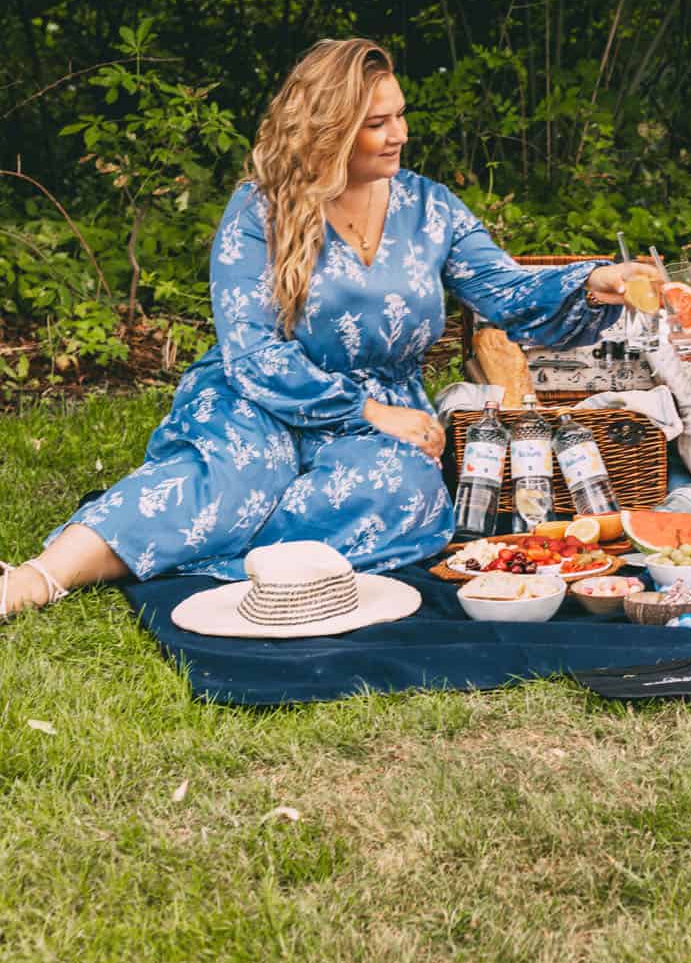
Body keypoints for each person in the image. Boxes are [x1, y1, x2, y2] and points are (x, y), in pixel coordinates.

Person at [1, 38, 657, 617]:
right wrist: (368, 412)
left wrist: (588, 279)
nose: (398, 133)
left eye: (400, 115)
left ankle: (197, 538)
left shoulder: (431, 209)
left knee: (404, 493)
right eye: (377, 123)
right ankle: (40, 577)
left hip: (389, 409)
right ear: (329, 129)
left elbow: (507, 290)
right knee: (237, 472)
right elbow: (253, 352)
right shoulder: (260, 208)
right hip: (259, 396)